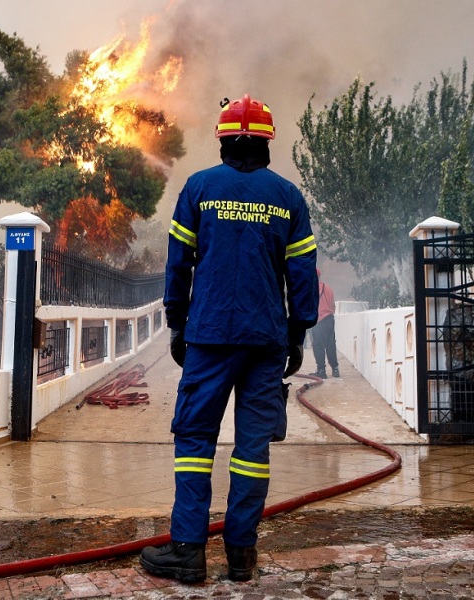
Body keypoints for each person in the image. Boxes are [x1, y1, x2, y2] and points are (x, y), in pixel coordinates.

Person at [139, 94, 319, 583]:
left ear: (222, 140)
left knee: (195, 441)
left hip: (210, 336)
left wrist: (177, 321)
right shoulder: (288, 197)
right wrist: (297, 332)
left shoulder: (199, 188)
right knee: (253, 450)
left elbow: (178, 262)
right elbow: (302, 272)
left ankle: (187, 551)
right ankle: (241, 554)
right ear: (267, 142)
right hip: (266, 341)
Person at [308, 269, 340, 379]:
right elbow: (333, 306)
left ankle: (321, 370)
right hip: (329, 319)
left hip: (318, 321)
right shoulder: (328, 289)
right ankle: (335, 368)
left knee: (318, 345)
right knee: (330, 344)